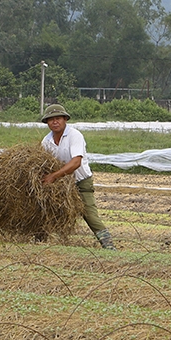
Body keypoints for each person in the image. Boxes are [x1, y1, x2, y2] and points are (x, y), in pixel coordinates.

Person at [40, 104, 116, 250]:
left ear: (65, 120)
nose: (55, 122)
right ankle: (40, 240)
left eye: (58, 118)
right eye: (51, 119)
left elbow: (76, 162)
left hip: (81, 181)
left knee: (89, 214)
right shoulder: (46, 141)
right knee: (46, 209)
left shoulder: (74, 135)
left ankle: (108, 245)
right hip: (61, 183)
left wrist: (53, 177)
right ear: (47, 123)